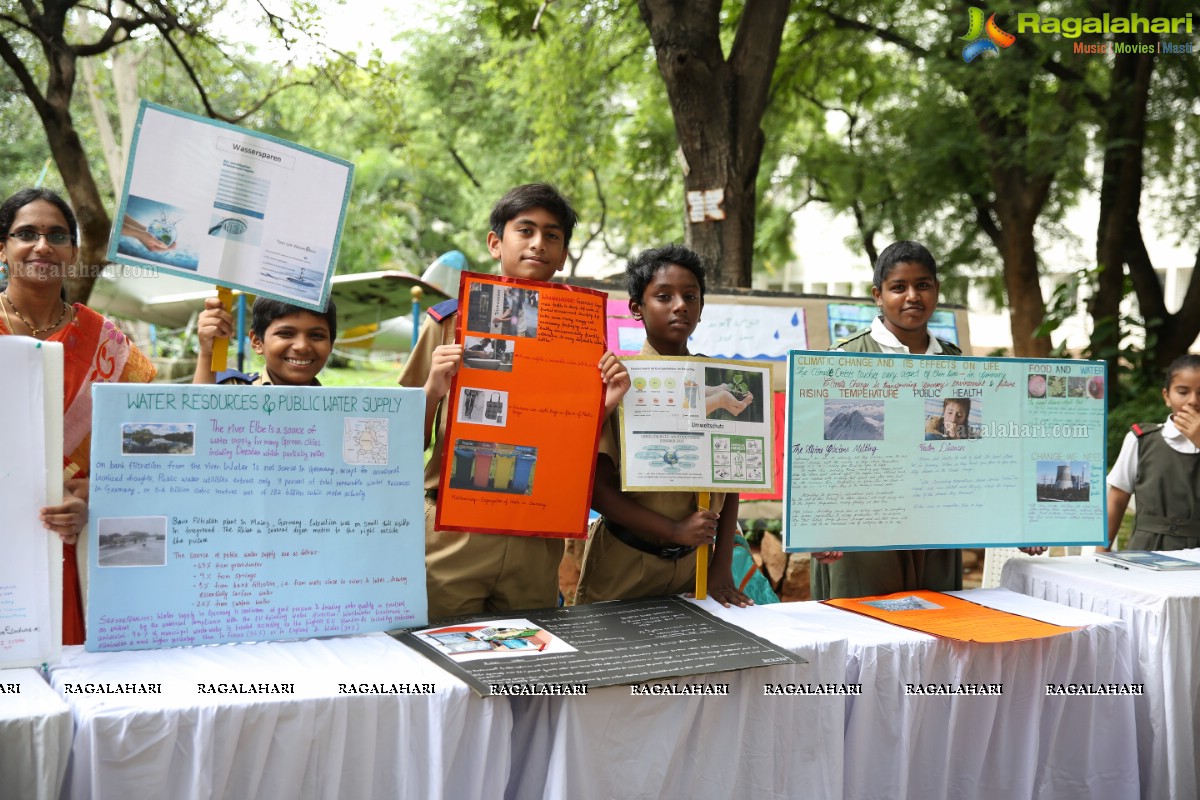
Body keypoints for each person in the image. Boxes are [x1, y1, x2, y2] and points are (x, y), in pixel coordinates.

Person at [399, 183, 629, 620]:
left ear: (563, 255)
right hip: (454, 532)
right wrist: (432, 389)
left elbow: (564, 445)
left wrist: (605, 404)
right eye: (525, 230)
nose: (538, 243)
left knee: (525, 673)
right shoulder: (448, 324)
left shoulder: (581, 339)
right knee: (439, 666)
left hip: (534, 537)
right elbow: (401, 444)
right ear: (495, 242)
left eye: (552, 235)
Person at [812, 241, 1041, 600]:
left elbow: (978, 454)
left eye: (923, 285)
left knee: (938, 633)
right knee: (867, 632)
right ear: (878, 295)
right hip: (863, 531)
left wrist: (1017, 521)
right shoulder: (845, 357)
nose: (912, 296)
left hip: (937, 523)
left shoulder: (955, 362)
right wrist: (818, 528)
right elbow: (819, 456)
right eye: (898, 287)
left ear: (936, 291)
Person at [0, 187, 156, 644]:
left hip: (77, 540)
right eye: (26, 233)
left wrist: (92, 496)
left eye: (57, 235)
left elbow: (145, 453)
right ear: (2, 247)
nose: (42, 246)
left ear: (72, 252)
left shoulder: (105, 343)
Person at [575, 244, 752, 607]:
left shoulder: (718, 378)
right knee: (615, 660)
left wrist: (721, 566)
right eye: (663, 296)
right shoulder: (618, 382)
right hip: (624, 561)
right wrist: (674, 530)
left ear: (701, 309)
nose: (680, 305)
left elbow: (730, 478)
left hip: (694, 566)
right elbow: (597, 489)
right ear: (637, 308)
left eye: (691, 296)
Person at [1105, 354, 1200, 551]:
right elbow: (1116, 500)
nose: (1193, 401)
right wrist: (1099, 555)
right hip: (1146, 551)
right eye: (1183, 392)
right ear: (1166, 396)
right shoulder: (1141, 440)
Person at [192, 295, 336, 385]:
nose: (302, 346)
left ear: (331, 344)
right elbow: (199, 415)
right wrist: (207, 353)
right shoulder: (233, 393)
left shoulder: (343, 411)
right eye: (286, 333)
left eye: (316, 335)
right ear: (257, 341)